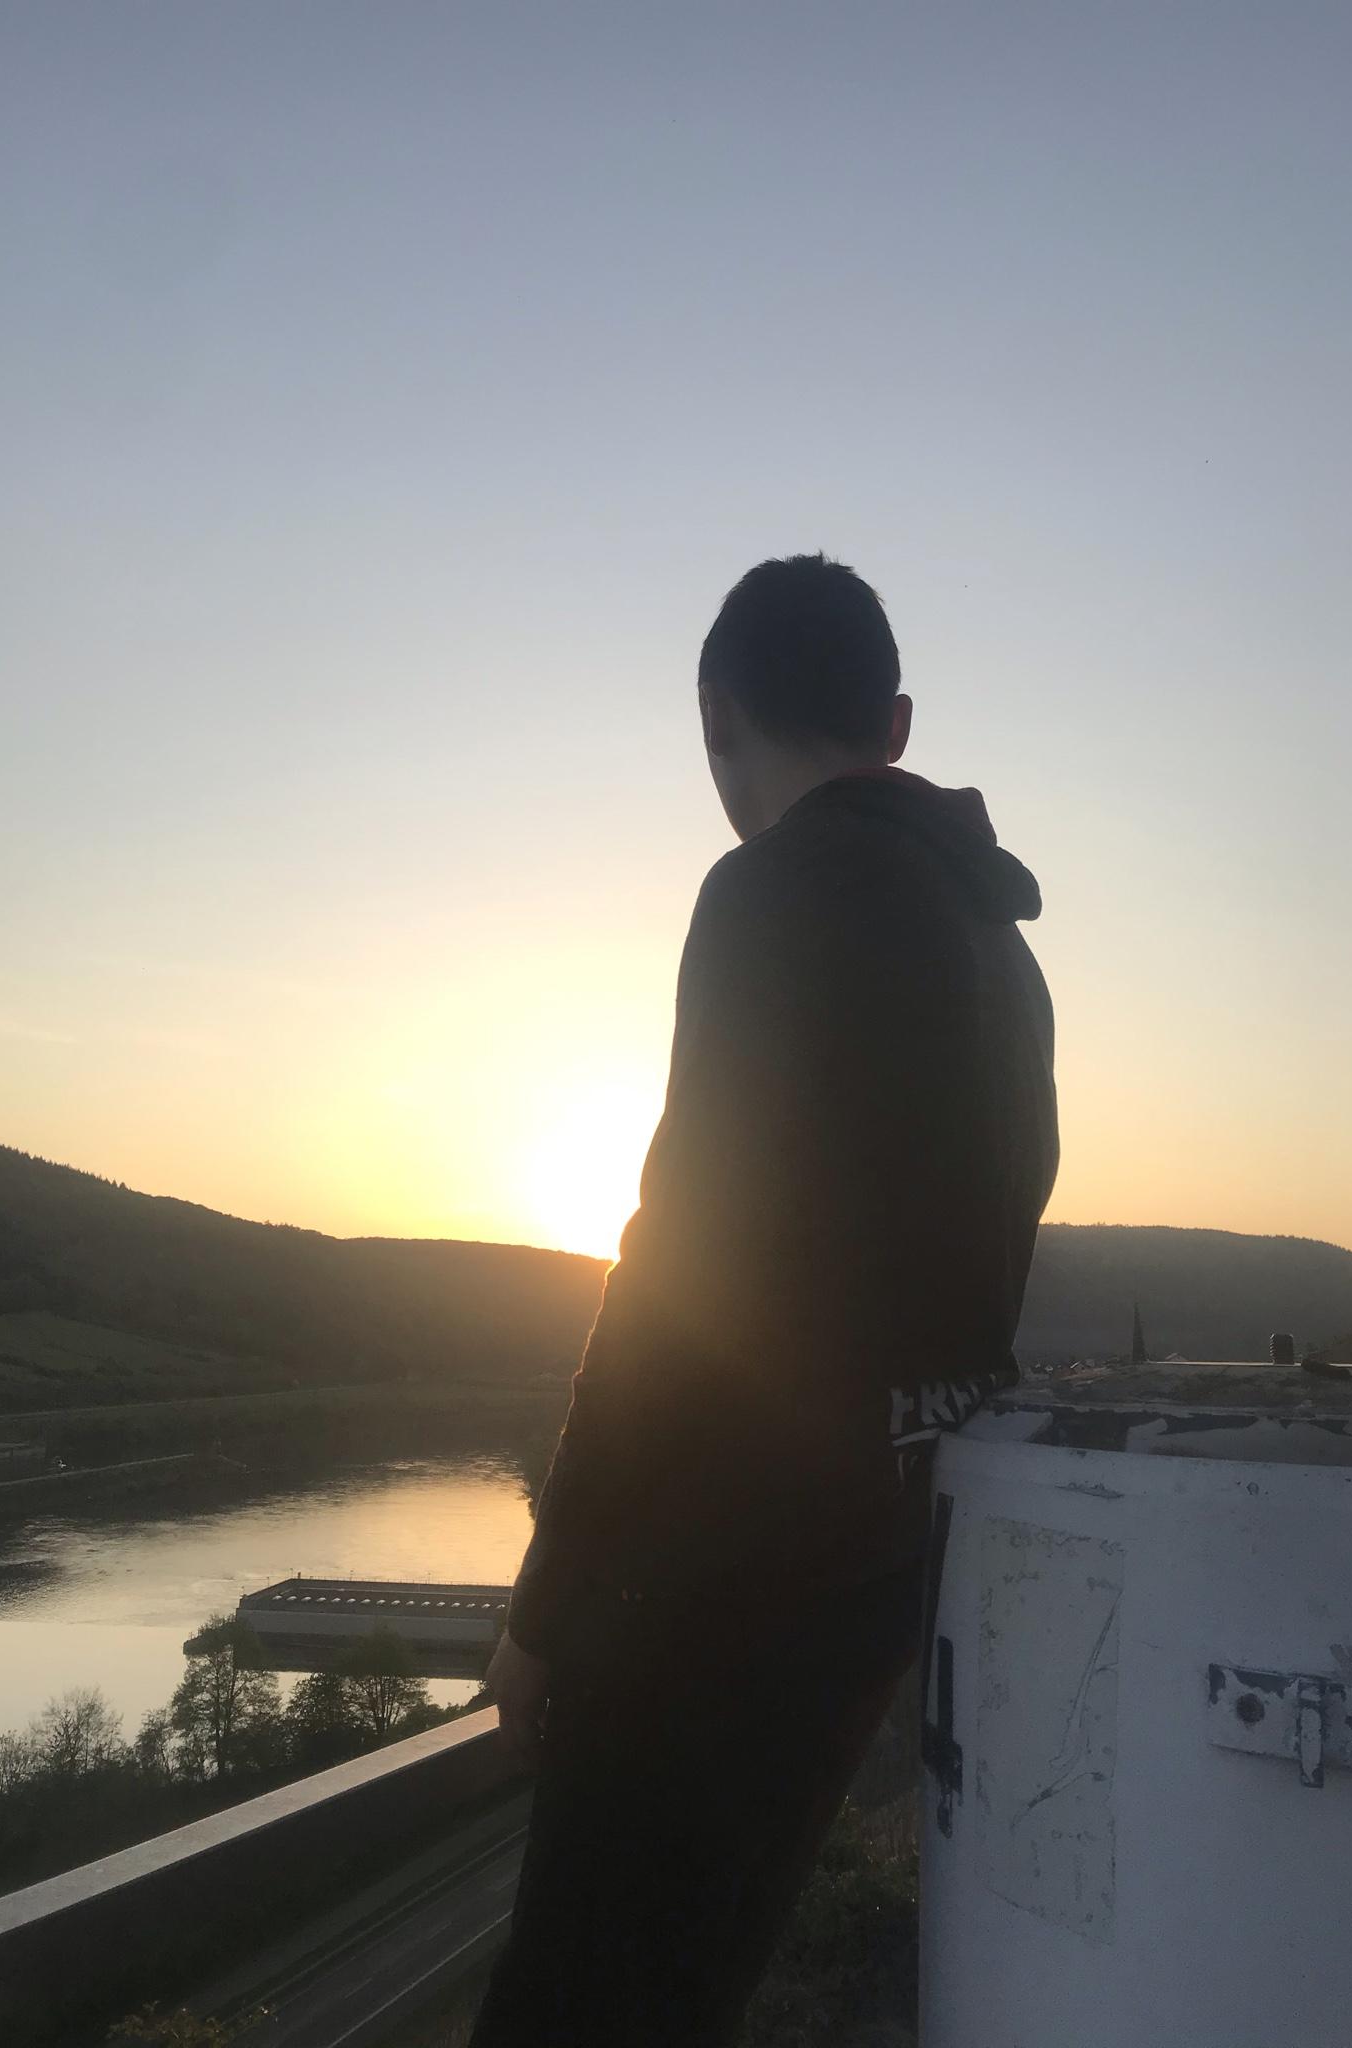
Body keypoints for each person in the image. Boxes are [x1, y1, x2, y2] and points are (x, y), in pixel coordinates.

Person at [470, 554, 1058, 2046]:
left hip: (714, 1598)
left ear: (716, 718)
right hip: (878, 1568)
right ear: (897, 725)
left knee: (573, 2013)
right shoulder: (1004, 953)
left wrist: (548, 1605)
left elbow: (677, 1273)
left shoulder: (772, 893)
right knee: (694, 1993)